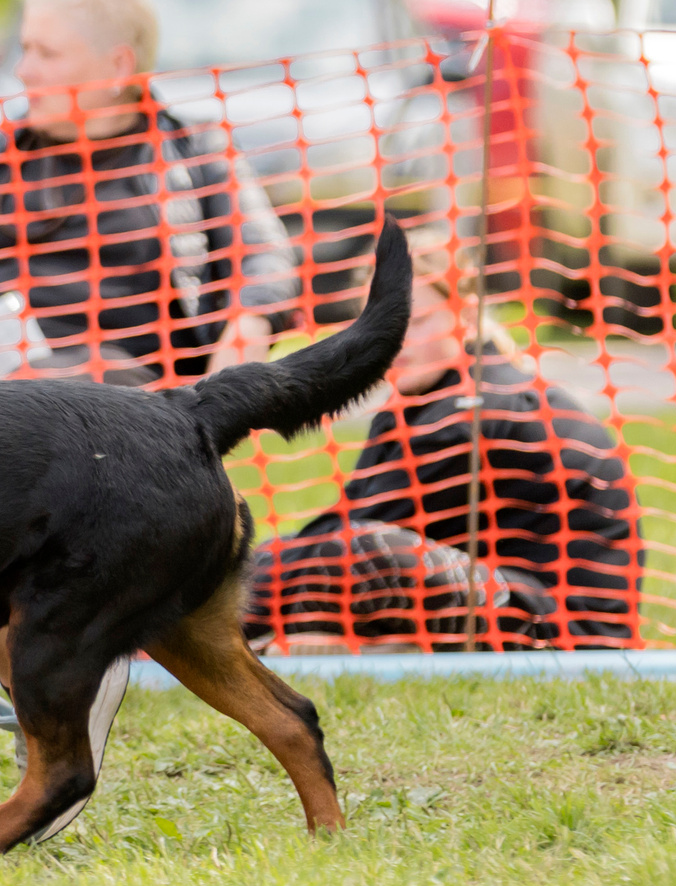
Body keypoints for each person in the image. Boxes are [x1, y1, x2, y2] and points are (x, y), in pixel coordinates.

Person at [0, 0, 302, 759]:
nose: (25, 70)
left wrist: (253, 318)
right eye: (25, 49)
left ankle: (52, 683)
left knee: (100, 393)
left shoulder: (192, 157)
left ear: (118, 67)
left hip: (112, 416)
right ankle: (34, 691)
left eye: (47, 53)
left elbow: (266, 261)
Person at [242, 266, 641, 650]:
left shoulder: (476, 409)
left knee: (364, 551)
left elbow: (355, 538)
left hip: (561, 629)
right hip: (490, 598)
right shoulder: (416, 404)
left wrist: (221, 582)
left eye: (415, 323)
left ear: (466, 314)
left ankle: (217, 630)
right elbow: (336, 526)